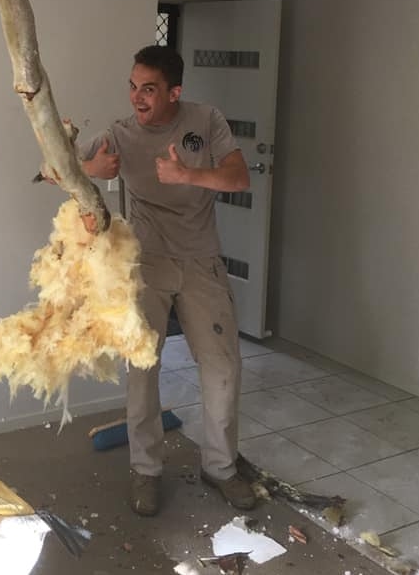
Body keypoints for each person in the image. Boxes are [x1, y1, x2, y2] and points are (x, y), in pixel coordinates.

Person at [78, 45, 255, 516]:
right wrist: (88, 170)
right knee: (142, 373)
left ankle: (221, 468)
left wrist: (187, 173)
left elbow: (239, 179)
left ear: (175, 92)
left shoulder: (206, 120)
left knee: (222, 368)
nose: (137, 97)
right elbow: (49, 168)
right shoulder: (118, 134)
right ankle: (146, 471)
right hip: (147, 266)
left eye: (149, 89)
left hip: (202, 264)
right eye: (133, 86)